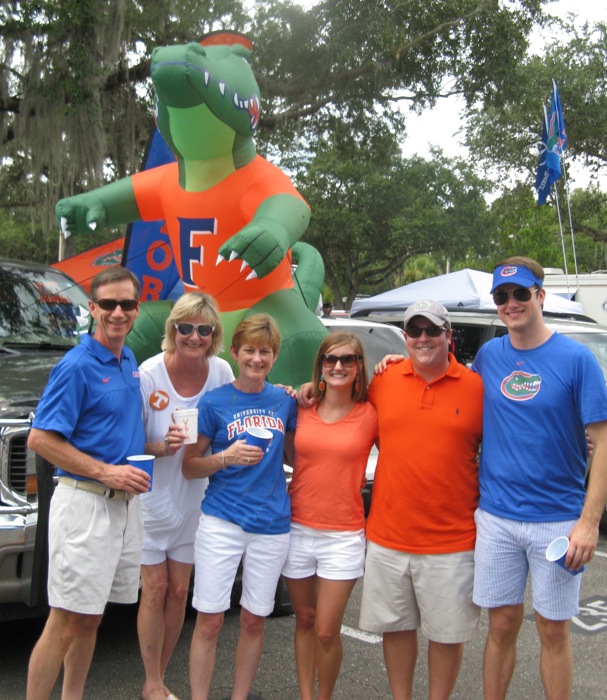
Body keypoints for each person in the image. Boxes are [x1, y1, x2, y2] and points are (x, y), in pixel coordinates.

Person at [471, 257, 607, 700]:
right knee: (502, 623)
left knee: (552, 629)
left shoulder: (576, 360)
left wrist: (588, 522)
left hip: (557, 521)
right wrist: (392, 362)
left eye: (520, 294)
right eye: (502, 296)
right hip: (497, 518)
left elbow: (602, 443)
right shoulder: (489, 356)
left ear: (540, 296)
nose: (511, 303)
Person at [26, 267, 150, 700]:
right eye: (109, 304)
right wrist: (105, 471)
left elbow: (116, 436)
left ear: (137, 308)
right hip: (85, 506)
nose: (118, 313)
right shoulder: (76, 365)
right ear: (92, 308)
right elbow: (40, 439)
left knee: (91, 618)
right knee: (64, 621)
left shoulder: (128, 360)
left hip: (124, 508)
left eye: (127, 304)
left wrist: (163, 446)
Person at [357, 300, 484, 700]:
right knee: (396, 628)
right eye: (415, 331)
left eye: (433, 330)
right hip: (388, 535)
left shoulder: (476, 386)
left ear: (450, 336)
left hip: (452, 540)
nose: (424, 338)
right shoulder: (385, 379)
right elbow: (338, 403)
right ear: (406, 336)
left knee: (447, 635)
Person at [182, 313, 297, 700]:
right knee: (210, 620)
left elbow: (299, 453)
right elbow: (189, 467)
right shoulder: (214, 402)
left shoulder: (284, 401)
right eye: (249, 350)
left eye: (265, 352)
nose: (256, 359)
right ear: (234, 352)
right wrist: (225, 457)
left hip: (271, 524)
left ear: (274, 355)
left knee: (253, 620)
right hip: (222, 521)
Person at [137, 292, 234, 700]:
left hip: (196, 497)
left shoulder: (222, 372)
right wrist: (164, 446)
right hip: (153, 495)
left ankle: (157, 678)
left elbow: (236, 413)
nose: (194, 337)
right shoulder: (149, 374)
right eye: (186, 328)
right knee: (155, 588)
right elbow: (128, 441)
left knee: (180, 591)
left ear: (213, 335)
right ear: (173, 329)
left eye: (203, 330)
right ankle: (153, 682)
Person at [283, 332, 378, 700]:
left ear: (359, 367)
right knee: (304, 620)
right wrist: (294, 391)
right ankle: (307, 695)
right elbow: (289, 455)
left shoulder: (371, 413)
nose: (338, 366)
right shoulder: (301, 408)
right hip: (297, 526)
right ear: (320, 365)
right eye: (330, 359)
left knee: (326, 629)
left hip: (343, 534)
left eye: (348, 359)